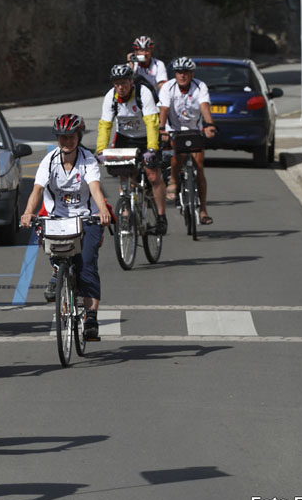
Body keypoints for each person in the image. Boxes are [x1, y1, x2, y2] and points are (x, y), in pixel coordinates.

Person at [21, 114, 111, 339]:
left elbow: (95, 188)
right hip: (57, 219)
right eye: (62, 137)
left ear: (78, 137)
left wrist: (103, 211)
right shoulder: (49, 160)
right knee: (54, 251)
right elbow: (37, 190)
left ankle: (91, 318)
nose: (67, 141)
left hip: (86, 218)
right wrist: (28, 212)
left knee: (87, 265)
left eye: (71, 136)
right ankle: (58, 274)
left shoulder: (88, 160)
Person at [96, 63, 168, 235]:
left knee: (153, 176)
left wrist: (152, 148)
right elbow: (105, 125)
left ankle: (161, 217)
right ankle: (126, 211)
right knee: (124, 173)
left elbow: (151, 122)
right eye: (116, 84)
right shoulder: (110, 97)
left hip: (146, 137)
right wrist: (101, 150)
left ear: (131, 82)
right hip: (125, 138)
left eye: (123, 83)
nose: (120, 87)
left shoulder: (143, 93)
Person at [158, 56, 217, 225]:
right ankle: (173, 180)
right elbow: (164, 108)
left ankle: (203, 210)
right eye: (179, 72)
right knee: (178, 154)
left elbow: (204, 106)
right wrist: (161, 128)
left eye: (186, 72)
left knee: (199, 167)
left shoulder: (200, 86)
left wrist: (210, 125)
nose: (182, 75)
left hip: (194, 129)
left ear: (192, 74)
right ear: (175, 74)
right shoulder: (168, 87)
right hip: (174, 129)